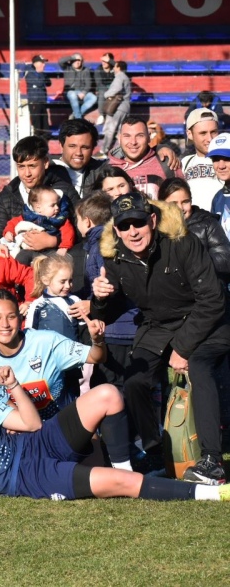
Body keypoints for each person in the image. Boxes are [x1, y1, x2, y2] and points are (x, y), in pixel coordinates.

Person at [0, 362, 230, 503]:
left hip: (37, 441)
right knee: (123, 486)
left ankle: (123, 465)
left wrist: (13, 385)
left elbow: (32, 425)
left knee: (108, 395)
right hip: (29, 477)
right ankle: (211, 494)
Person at [92, 192, 230, 483]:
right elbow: (111, 310)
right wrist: (101, 298)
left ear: (152, 220)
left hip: (206, 319)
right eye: (125, 225)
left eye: (138, 223)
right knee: (135, 382)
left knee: (200, 366)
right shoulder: (114, 257)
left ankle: (211, 461)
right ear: (116, 229)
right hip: (157, 325)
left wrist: (182, 348)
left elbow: (213, 300)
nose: (133, 231)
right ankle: (156, 454)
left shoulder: (183, 243)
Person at [0, 290, 105, 425]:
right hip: (24, 433)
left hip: (64, 424)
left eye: (11, 317)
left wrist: (97, 340)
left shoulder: (46, 341)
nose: (5, 324)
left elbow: (96, 357)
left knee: (108, 394)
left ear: (21, 319)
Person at [75, 191, 137, 390]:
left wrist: (91, 303)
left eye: (77, 219)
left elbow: (108, 284)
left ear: (87, 221)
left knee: (111, 389)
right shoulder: (103, 242)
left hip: (115, 330)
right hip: (124, 329)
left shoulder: (103, 245)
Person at [0, 136, 81, 251]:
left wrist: (54, 241)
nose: (27, 173)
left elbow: (82, 233)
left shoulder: (65, 193)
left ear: (45, 163)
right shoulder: (6, 197)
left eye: (32, 166)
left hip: (57, 263)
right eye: (21, 167)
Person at [159, 178, 230, 283]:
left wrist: (194, 262)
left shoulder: (207, 224)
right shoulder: (155, 227)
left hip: (206, 289)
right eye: (173, 203)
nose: (180, 208)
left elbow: (225, 259)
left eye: (185, 202)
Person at [108, 116, 182, 199]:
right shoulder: (108, 169)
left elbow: (182, 199)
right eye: (127, 136)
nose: (133, 142)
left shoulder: (168, 163)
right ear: (119, 138)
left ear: (149, 137)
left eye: (139, 136)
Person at [1, 185, 75, 261]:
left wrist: (64, 247)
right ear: (38, 207)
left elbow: (68, 231)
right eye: (52, 205)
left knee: (52, 262)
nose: (57, 208)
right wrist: (9, 232)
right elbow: (13, 223)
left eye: (57, 204)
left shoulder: (59, 219)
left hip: (49, 250)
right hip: (28, 249)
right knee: (21, 258)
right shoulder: (28, 216)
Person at [25, 254, 84, 342]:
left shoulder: (75, 301)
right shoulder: (37, 305)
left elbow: (83, 330)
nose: (68, 286)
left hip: (73, 354)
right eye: (62, 281)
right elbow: (29, 335)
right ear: (46, 280)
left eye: (70, 280)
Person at [54, 118, 108, 198]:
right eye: (72, 146)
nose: (78, 153)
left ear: (93, 148)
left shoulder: (104, 172)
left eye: (85, 147)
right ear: (61, 146)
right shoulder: (46, 173)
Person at [181, 107, 222, 210]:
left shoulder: (227, 160)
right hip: (193, 223)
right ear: (190, 134)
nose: (210, 138)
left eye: (213, 132)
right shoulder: (185, 162)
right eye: (203, 133)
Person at [101, 61, 132, 151]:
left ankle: (104, 150)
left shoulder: (119, 77)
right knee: (120, 131)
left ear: (118, 67)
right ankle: (122, 151)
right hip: (125, 107)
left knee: (110, 129)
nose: (113, 68)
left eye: (115, 66)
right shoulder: (125, 77)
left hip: (117, 107)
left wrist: (106, 94)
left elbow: (116, 89)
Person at [59, 53, 95, 120]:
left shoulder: (86, 70)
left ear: (82, 62)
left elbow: (88, 84)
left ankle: (75, 114)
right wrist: (72, 58)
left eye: (79, 60)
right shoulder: (67, 68)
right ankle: (78, 118)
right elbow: (60, 61)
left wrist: (83, 92)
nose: (77, 62)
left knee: (93, 98)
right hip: (69, 92)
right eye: (76, 60)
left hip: (81, 92)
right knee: (72, 94)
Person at [24, 54, 51, 138]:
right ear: (35, 64)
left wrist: (42, 76)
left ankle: (45, 139)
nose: (44, 65)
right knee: (37, 125)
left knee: (45, 124)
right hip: (35, 102)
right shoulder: (30, 74)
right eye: (42, 62)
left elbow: (49, 83)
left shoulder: (42, 74)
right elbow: (40, 83)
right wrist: (42, 77)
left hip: (42, 101)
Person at [93, 52, 115, 126]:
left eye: (106, 61)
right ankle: (102, 115)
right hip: (103, 91)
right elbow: (99, 84)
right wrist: (109, 93)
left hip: (114, 91)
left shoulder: (115, 69)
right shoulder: (98, 70)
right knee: (102, 92)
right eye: (103, 61)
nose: (104, 63)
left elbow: (122, 69)